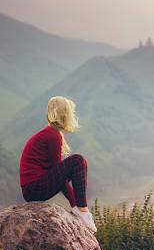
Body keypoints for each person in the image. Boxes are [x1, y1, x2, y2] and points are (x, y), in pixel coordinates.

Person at [19, 96, 97, 231]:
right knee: (78, 161)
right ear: (64, 114)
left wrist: (74, 205)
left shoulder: (51, 133)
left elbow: (58, 175)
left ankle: (81, 210)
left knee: (77, 163)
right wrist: (76, 206)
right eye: (70, 113)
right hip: (34, 188)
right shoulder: (52, 135)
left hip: (32, 189)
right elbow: (58, 174)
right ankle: (82, 211)